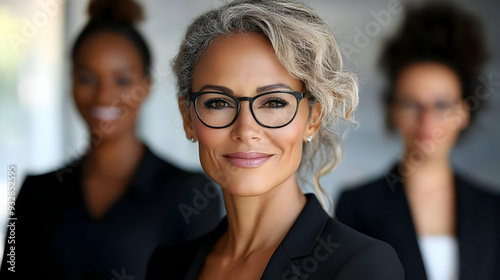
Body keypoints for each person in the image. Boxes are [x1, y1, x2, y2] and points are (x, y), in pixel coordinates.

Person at [146, 1, 404, 279]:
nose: (245, 129)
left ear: (313, 118)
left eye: (274, 102)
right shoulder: (167, 266)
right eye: (219, 103)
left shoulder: (362, 266)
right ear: (188, 118)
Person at [0, 0, 222, 279]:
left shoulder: (190, 195)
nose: (103, 96)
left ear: (145, 85)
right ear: (71, 82)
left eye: (122, 81)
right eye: (87, 78)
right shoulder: (36, 193)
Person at [336, 2, 500, 280]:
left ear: (463, 112)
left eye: (441, 105)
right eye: (413, 104)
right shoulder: (358, 206)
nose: (427, 121)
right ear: (393, 110)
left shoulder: (493, 210)